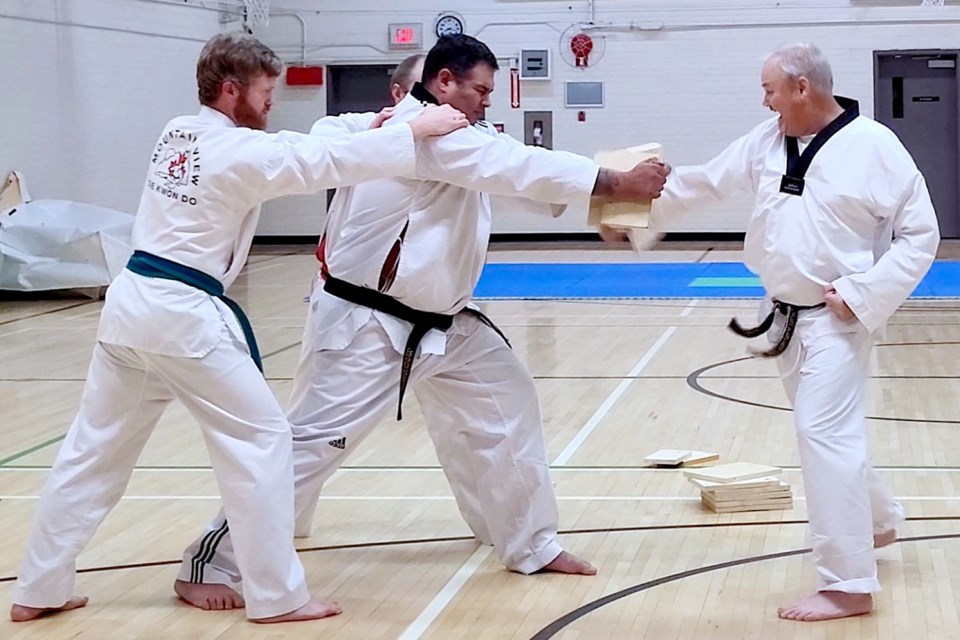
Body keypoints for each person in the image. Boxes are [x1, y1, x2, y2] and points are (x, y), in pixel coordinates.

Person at [176, 33, 668, 595]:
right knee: (312, 444)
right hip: (370, 326)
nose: (488, 102)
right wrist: (612, 181)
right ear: (443, 84)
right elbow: (513, 165)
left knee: (508, 405)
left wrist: (602, 206)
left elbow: (513, 176)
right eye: (480, 90)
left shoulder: (445, 136)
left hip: (444, 323)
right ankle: (212, 562)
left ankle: (529, 541)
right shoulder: (422, 135)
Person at [8, 32, 467, 625]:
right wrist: (413, 133)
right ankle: (277, 596)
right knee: (263, 442)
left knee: (90, 454)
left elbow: (296, 147)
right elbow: (312, 161)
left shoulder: (177, 131)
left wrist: (377, 129)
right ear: (232, 90)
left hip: (129, 311)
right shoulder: (237, 154)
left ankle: (38, 588)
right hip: (182, 316)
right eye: (266, 91)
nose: (272, 103)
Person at [637, 43, 939, 621]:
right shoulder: (765, 141)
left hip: (838, 319)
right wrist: (632, 210)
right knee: (831, 436)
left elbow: (920, 234)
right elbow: (703, 183)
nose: (764, 98)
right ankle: (877, 523)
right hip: (784, 316)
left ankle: (849, 583)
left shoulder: (874, 146)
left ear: (803, 88)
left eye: (770, 87)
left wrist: (863, 294)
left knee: (824, 436)